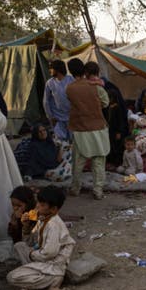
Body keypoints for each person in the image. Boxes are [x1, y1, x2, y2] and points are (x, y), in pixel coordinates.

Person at [7, 186, 75, 290]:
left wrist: (31, 254)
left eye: (42, 205)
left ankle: (54, 280)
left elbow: (49, 253)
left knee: (12, 277)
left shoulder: (53, 225)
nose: (37, 206)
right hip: (42, 257)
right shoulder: (43, 218)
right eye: (38, 202)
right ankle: (36, 277)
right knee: (19, 246)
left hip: (53, 264)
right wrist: (26, 227)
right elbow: (30, 241)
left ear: (53, 209)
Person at [65, 59, 110, 199]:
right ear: (84, 71)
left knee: (78, 162)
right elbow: (105, 102)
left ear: (71, 72)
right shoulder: (95, 86)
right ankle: (98, 190)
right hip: (98, 127)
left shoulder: (70, 89)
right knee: (98, 161)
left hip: (80, 129)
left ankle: (75, 188)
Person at [43, 60, 74, 141]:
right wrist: (50, 116)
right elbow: (46, 101)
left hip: (72, 117)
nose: (50, 70)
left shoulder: (71, 80)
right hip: (58, 119)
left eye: (51, 68)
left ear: (57, 69)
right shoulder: (50, 83)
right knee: (61, 143)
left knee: (73, 141)